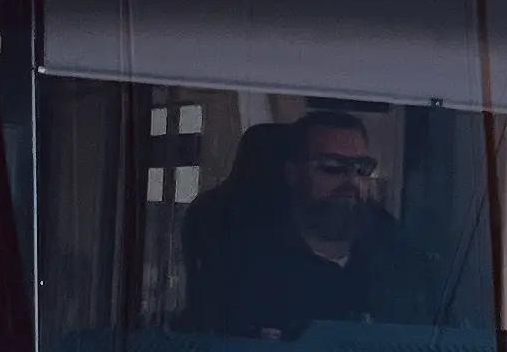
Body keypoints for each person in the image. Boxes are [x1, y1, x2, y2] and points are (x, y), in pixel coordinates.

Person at [186, 106, 440, 338]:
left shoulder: (402, 268)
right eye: (332, 166)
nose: (351, 181)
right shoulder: (242, 266)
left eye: (362, 168)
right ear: (292, 174)